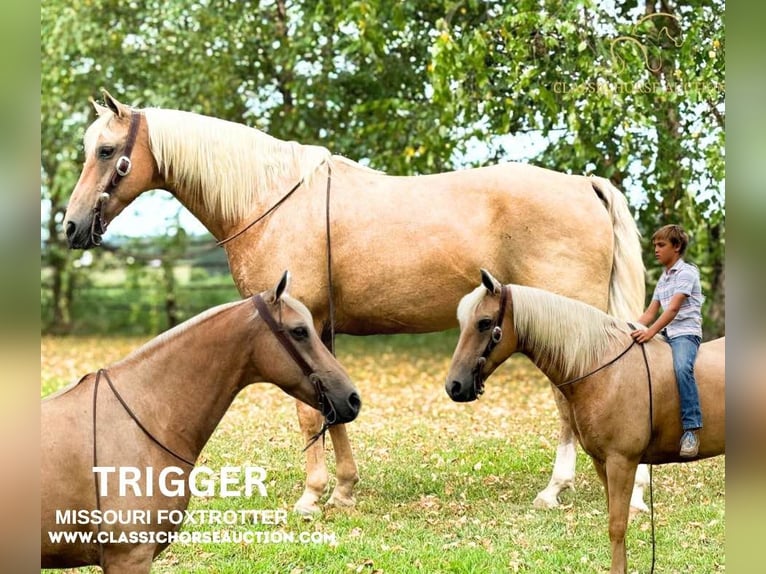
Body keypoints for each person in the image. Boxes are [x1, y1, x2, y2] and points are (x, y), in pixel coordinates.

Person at [630, 224, 705, 457]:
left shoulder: (687, 273)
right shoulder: (663, 279)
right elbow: (650, 312)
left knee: (682, 368)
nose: (656, 250)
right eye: (654, 245)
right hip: (666, 333)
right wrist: (628, 329)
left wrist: (650, 333)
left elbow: (672, 310)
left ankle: (691, 429)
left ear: (677, 246)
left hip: (685, 333)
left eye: (661, 245)